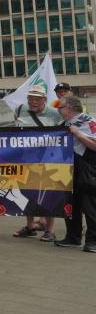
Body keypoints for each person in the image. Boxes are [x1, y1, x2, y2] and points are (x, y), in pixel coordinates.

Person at [12, 85, 62, 241]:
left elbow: (62, 136)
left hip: (48, 162)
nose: (33, 102)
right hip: (26, 161)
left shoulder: (55, 114)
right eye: (31, 98)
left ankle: (50, 230)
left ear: (44, 100)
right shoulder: (20, 110)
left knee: (48, 195)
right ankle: (30, 226)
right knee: (27, 195)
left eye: (37, 99)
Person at [54, 96, 96, 252]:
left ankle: (93, 241)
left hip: (87, 168)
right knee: (71, 205)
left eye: (60, 106)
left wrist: (78, 134)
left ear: (70, 108)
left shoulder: (88, 121)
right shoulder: (63, 124)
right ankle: (73, 237)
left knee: (90, 206)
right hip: (68, 169)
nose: (58, 109)